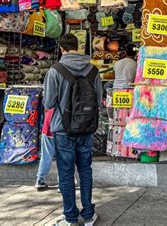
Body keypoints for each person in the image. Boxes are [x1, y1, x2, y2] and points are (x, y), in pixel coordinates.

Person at [44, 34, 101, 226]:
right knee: (85, 170)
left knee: (66, 172)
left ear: (62, 49)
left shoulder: (55, 71)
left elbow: (49, 102)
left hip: (63, 129)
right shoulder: (94, 70)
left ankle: (70, 217)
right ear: (78, 47)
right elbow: (99, 99)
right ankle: (88, 215)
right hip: (87, 127)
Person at [35, 108, 56, 190]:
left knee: (45, 156)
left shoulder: (49, 95)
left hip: (48, 125)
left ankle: (40, 179)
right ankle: (62, 182)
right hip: (61, 126)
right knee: (62, 156)